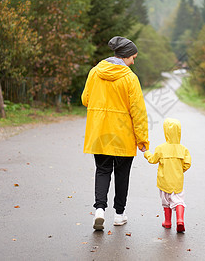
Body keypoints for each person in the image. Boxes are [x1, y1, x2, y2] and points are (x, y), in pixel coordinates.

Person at [82, 36, 149, 231]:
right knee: (122, 174)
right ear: (126, 56)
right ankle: (119, 215)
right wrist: (142, 139)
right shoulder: (130, 78)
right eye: (133, 58)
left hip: (100, 133)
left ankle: (99, 210)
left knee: (102, 170)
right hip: (123, 135)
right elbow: (138, 112)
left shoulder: (95, 72)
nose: (133, 62)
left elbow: (86, 99)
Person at [144, 118, 191, 233]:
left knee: (166, 201)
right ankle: (180, 220)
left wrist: (146, 153)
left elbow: (152, 160)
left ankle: (168, 222)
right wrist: (179, 171)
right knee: (178, 200)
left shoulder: (161, 148)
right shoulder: (183, 149)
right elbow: (187, 164)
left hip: (164, 181)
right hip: (177, 181)